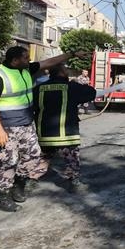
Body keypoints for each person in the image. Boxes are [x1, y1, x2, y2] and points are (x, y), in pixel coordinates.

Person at [0, 46, 86, 212]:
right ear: (15, 60)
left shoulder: (26, 70)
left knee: (33, 155)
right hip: (7, 126)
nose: (29, 61)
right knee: (8, 160)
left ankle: (19, 183)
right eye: (25, 58)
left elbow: (50, 62)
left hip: (27, 124)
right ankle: (3, 195)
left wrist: (73, 53)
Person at [32, 63, 96, 193]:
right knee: (72, 159)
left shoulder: (38, 88)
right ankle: (75, 184)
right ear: (62, 73)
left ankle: (30, 181)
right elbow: (91, 93)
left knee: (43, 158)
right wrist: (77, 84)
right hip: (67, 135)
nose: (67, 72)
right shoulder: (71, 87)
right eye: (66, 70)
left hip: (45, 134)